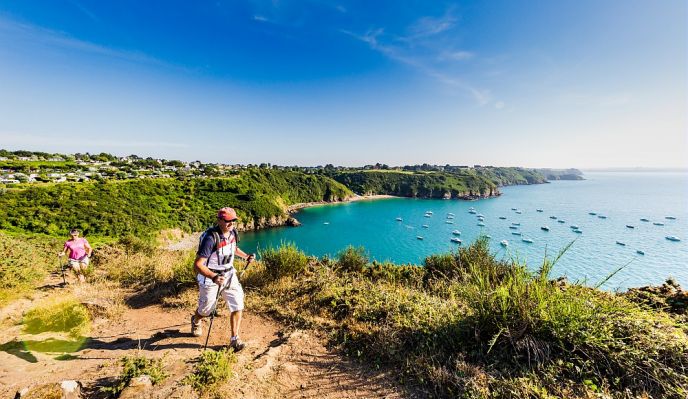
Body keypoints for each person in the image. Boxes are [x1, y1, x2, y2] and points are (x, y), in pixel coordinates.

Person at [191, 207, 254, 351]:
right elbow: (198, 264)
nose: (231, 223)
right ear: (219, 221)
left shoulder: (233, 233)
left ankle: (234, 339)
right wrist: (213, 277)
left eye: (233, 220)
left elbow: (233, 248)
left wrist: (245, 256)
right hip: (211, 277)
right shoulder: (210, 238)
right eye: (228, 221)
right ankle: (196, 320)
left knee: (237, 304)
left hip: (230, 275)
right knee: (206, 310)